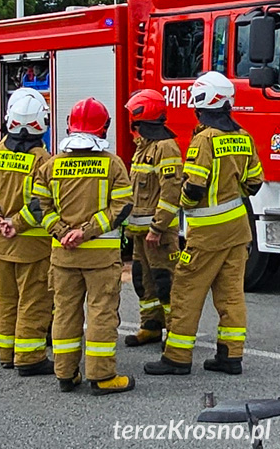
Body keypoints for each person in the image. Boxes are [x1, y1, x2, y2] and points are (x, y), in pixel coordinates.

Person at [145, 72, 263, 376]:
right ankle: (230, 356)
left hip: (207, 234)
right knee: (231, 295)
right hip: (238, 230)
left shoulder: (204, 139)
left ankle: (177, 358)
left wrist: (185, 204)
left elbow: (194, 188)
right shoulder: (243, 136)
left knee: (185, 289)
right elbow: (254, 183)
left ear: (201, 103)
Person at [33, 97, 135, 395]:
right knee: (101, 312)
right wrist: (87, 231)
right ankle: (102, 376)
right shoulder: (112, 164)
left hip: (63, 256)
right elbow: (123, 206)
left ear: (69, 125)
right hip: (101, 257)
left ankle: (65, 374)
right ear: (104, 128)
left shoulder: (52, 165)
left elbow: (39, 208)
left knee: (65, 311)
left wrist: (63, 232)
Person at [0, 88, 53, 376]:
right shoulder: (43, 161)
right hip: (33, 247)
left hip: (2, 246)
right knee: (34, 300)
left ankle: (6, 353)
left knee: (7, 300)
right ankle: (30, 358)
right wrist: (16, 223)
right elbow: (41, 204)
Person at [122, 90, 182, 347]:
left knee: (165, 282)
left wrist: (158, 228)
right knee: (143, 280)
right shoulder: (143, 147)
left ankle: (176, 333)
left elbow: (171, 192)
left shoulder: (165, 148)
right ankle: (151, 326)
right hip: (140, 234)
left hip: (158, 234)